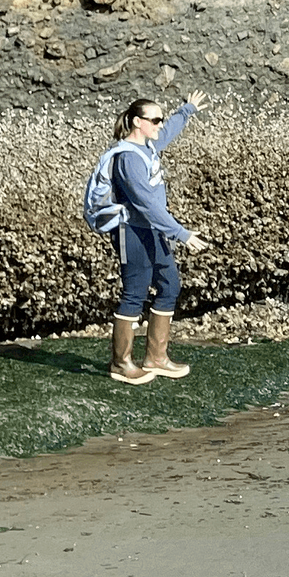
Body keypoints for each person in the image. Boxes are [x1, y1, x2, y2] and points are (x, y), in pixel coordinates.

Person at [106, 94, 211, 385]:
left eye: (160, 118)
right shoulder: (127, 158)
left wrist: (187, 110)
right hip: (132, 231)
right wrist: (182, 234)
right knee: (134, 293)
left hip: (153, 229)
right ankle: (121, 363)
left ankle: (156, 357)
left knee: (169, 285)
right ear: (138, 122)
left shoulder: (149, 144)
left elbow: (168, 132)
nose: (159, 124)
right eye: (154, 119)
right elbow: (146, 206)